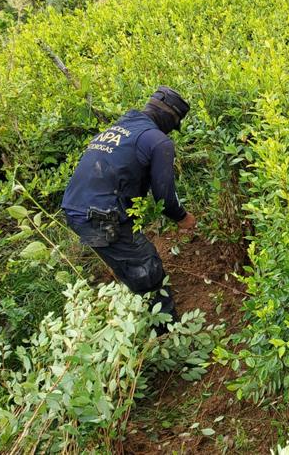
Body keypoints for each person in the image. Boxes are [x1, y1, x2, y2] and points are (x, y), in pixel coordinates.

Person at [61, 86, 196, 333]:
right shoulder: (158, 141)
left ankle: (136, 310)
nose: (170, 132)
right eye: (173, 125)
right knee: (147, 268)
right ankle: (166, 334)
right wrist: (183, 217)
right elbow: (165, 197)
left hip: (74, 212)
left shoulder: (121, 127)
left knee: (124, 261)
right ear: (170, 117)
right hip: (100, 217)